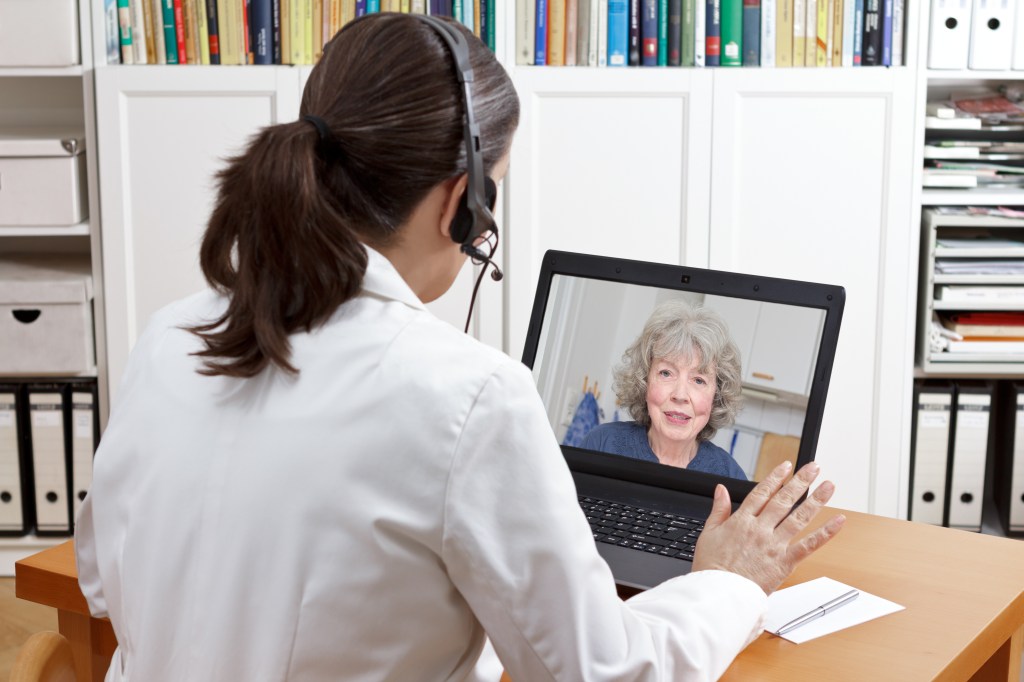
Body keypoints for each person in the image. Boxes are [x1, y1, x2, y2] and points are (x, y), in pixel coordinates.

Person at [75, 13, 844, 682]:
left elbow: (101, 584)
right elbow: (605, 673)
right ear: (461, 201)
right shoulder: (469, 397)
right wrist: (731, 582)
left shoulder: (172, 335)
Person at [582, 300, 749, 480]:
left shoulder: (730, 476)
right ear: (644, 380)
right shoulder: (602, 443)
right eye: (666, 373)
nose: (680, 395)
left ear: (716, 396)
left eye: (699, 380)